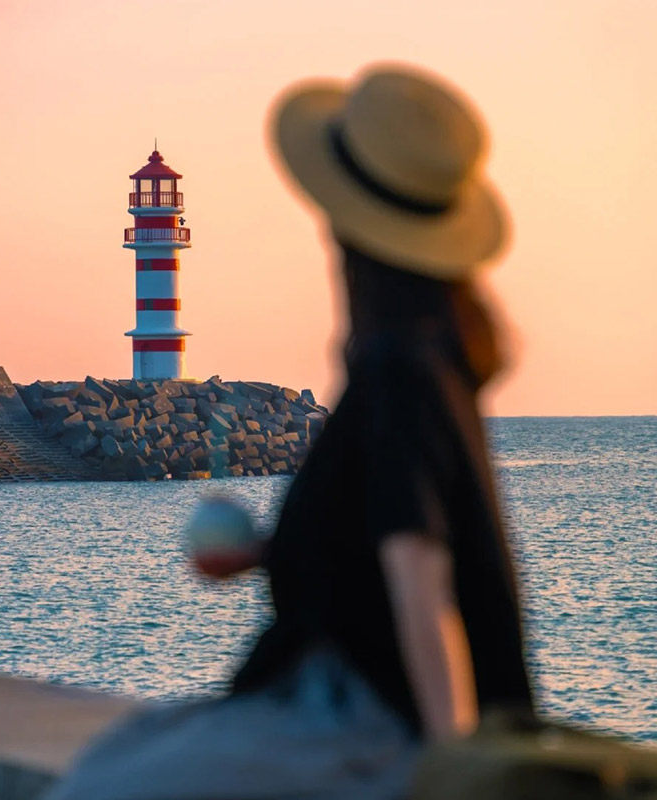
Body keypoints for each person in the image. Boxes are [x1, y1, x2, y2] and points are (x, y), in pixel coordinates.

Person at [47, 63, 533, 800]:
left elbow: (421, 582)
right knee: (128, 752)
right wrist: (269, 554)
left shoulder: (397, 371)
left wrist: (451, 764)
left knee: (104, 782)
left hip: (359, 717)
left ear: (344, 221)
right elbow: (385, 545)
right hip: (340, 696)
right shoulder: (427, 353)